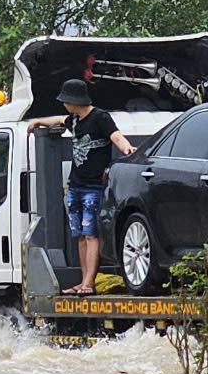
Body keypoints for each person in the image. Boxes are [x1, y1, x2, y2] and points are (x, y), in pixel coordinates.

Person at [27, 77, 134, 295]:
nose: (64, 104)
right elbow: (58, 119)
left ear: (75, 100)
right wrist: (38, 122)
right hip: (75, 185)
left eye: (66, 100)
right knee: (80, 235)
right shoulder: (74, 121)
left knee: (91, 233)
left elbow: (116, 136)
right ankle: (82, 281)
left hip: (94, 186)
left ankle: (89, 283)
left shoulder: (100, 118)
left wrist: (127, 149)